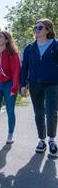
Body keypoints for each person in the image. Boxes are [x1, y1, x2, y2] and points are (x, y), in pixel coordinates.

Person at [20, 18, 58, 157]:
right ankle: (41, 140)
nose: (36, 30)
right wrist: (23, 85)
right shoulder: (29, 48)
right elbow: (24, 68)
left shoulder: (55, 45)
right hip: (35, 84)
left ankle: (52, 140)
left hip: (52, 84)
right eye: (35, 28)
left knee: (52, 112)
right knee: (39, 113)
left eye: (40, 27)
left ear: (48, 29)